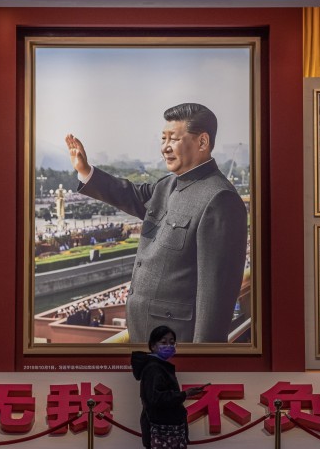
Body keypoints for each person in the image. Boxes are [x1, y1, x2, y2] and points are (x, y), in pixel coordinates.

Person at [66, 102, 248, 343]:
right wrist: (86, 170)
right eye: (163, 139)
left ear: (202, 142)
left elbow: (215, 296)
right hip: (145, 338)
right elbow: (129, 194)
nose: (165, 148)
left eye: (173, 139)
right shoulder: (168, 185)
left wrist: (204, 359)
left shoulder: (220, 198)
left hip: (176, 344)